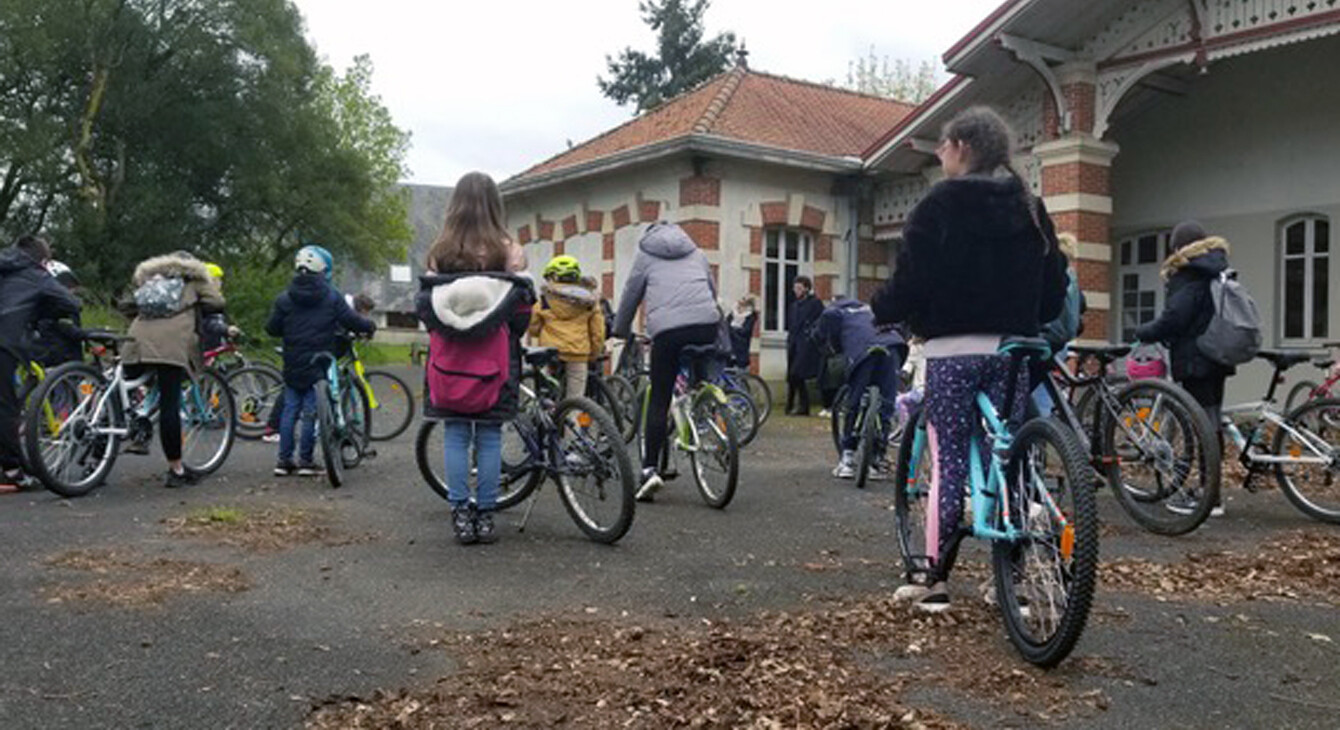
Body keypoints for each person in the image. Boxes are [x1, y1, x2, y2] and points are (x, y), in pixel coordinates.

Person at [872, 106, 1067, 612]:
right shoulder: (1029, 203)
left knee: (950, 454)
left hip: (953, 350)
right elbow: (1054, 281)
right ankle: (1015, 579)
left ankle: (932, 576)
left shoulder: (941, 202)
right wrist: (1035, 315)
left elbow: (912, 276)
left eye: (942, 145)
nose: (939, 154)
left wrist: (884, 308)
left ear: (961, 147)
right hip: (1013, 349)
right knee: (1010, 454)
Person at [417, 171, 531, 545]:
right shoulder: (509, 251)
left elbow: (426, 309)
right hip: (494, 361)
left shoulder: (441, 251)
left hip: (448, 360)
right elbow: (520, 315)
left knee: (454, 434)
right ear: (496, 205)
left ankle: (460, 513)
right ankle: (485, 515)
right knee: (489, 437)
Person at [612, 222, 721, 501]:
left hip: (668, 331)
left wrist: (619, 330)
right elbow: (711, 288)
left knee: (659, 399)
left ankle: (649, 470)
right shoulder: (696, 252)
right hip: (707, 324)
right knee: (698, 374)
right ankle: (703, 404)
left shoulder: (646, 255)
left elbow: (630, 295)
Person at [1134, 220, 1232, 517]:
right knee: (1212, 425)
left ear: (1178, 248)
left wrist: (1144, 331)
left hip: (1195, 360)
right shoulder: (1214, 268)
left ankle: (1209, 498)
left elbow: (1176, 318)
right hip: (1216, 356)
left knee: (1204, 426)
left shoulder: (1189, 273)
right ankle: (1210, 491)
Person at [121, 249, 234, 488]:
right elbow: (217, 302)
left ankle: (98, 456)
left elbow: (129, 306)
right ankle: (176, 468)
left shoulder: (150, 278)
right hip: (171, 346)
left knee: (122, 392)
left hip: (136, 342)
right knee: (169, 403)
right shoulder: (193, 280)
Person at [265, 245, 376, 477]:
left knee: (289, 411)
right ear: (324, 269)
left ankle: (284, 461)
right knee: (310, 412)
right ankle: (306, 461)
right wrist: (369, 326)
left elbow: (272, 329)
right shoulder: (331, 296)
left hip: (293, 361)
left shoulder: (285, 298)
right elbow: (351, 320)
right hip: (320, 360)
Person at [0, 236, 82, 492]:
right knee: (6, 407)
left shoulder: (5, 265)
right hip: (4, 341)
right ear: (44, 260)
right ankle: (11, 471)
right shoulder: (36, 274)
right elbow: (71, 303)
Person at [261, 290, 377, 443]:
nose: (365, 316)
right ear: (360, 308)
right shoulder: (335, 300)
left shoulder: (294, 297)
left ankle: (293, 439)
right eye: (365, 313)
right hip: (308, 348)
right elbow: (345, 321)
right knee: (295, 390)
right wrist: (366, 327)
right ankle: (273, 427)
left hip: (301, 346)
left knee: (297, 389)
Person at [817, 294, 907, 480]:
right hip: (893, 345)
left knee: (854, 400)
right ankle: (878, 457)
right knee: (886, 402)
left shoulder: (837, 310)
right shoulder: (869, 308)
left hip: (861, 350)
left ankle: (847, 457)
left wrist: (833, 347)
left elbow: (826, 328)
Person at [528, 255, 604, 398]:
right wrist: (593, 353)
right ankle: (572, 417)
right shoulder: (590, 302)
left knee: (548, 395)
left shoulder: (544, 300)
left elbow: (533, 328)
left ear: (553, 277)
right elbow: (597, 332)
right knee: (575, 398)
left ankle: (549, 414)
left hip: (550, 353)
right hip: (578, 353)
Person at [32, 260, 86, 368]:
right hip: (64, 363)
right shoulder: (61, 309)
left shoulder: (38, 307)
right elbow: (74, 332)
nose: (72, 291)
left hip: (47, 361)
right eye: (69, 287)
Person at [785, 276, 824, 415]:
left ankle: (801, 405)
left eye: (799, 288)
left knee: (798, 373)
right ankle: (793, 405)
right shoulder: (794, 305)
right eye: (795, 288)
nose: (796, 291)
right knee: (792, 375)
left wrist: (812, 336)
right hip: (794, 342)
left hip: (806, 343)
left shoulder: (815, 303)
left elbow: (820, 322)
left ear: (806, 288)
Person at [726, 296, 758, 369]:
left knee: (740, 374)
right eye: (739, 305)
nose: (740, 308)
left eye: (742, 305)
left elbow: (745, 331)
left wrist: (732, 330)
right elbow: (726, 326)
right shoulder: (732, 314)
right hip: (729, 350)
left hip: (741, 351)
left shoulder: (750, 317)